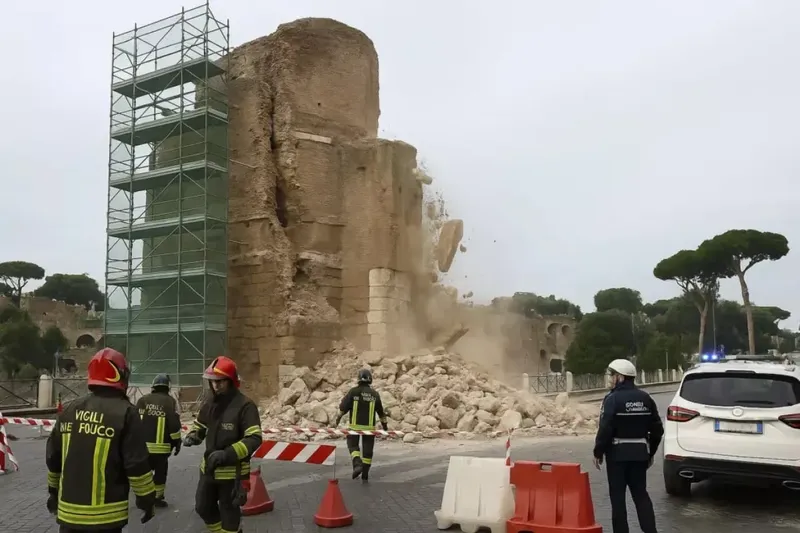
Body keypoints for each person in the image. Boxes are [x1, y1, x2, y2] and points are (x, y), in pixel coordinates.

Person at [45, 348, 157, 533]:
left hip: (69, 516)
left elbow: (53, 458)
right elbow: (136, 464)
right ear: (121, 376)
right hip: (108, 518)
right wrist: (146, 499)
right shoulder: (127, 413)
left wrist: (53, 491)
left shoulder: (69, 410)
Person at [182, 356, 263, 533]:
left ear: (231, 381)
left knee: (229, 516)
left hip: (232, 475)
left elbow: (254, 438)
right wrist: (194, 435)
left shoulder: (245, 406)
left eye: (220, 382)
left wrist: (227, 454)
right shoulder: (210, 403)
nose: (216, 386)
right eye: (212, 382)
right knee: (202, 507)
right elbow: (200, 426)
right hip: (208, 470)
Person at [593, 358, 663, 533]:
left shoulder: (612, 399)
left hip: (617, 456)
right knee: (641, 496)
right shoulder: (646, 398)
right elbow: (657, 430)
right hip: (639, 454)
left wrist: (598, 452)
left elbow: (605, 428)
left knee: (618, 500)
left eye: (612, 375)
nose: (609, 378)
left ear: (620, 377)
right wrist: (650, 452)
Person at [333, 368, 388, 482]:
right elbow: (381, 413)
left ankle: (357, 463)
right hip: (369, 429)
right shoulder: (375, 394)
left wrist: (337, 418)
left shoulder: (353, 392)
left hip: (355, 427)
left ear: (358, 379)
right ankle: (365, 474)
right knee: (368, 451)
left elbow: (343, 408)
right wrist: (385, 427)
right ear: (370, 379)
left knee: (353, 445)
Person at [136, 373, 182, 507]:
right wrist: (177, 442)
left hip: (142, 447)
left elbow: (134, 422)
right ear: (167, 387)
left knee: (143, 474)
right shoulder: (170, 402)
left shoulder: (142, 400)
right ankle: (157, 498)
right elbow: (174, 425)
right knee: (160, 474)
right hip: (161, 450)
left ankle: (142, 497)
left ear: (153, 386)